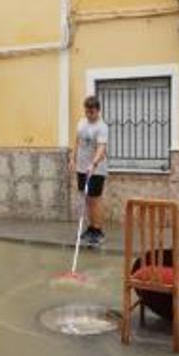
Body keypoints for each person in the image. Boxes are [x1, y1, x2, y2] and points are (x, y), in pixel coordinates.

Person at [69, 95, 109, 246]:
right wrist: (73, 158)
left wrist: (94, 163)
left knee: (95, 199)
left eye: (91, 112)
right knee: (86, 198)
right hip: (81, 167)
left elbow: (101, 148)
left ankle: (98, 231)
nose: (89, 115)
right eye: (87, 111)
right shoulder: (81, 123)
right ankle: (90, 228)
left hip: (96, 169)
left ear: (98, 111)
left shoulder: (102, 127)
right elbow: (77, 141)